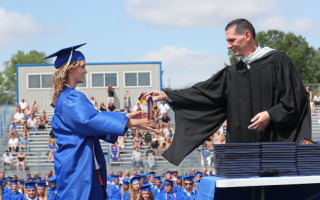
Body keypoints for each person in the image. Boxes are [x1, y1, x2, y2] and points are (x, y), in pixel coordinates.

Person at [145, 18, 311, 166]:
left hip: (274, 150)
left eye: (232, 40)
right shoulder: (232, 72)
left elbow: (295, 98)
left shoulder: (277, 61)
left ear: (247, 35)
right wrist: (168, 95)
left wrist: (270, 115)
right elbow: (204, 93)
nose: (228, 46)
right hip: (243, 153)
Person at [46, 43, 155, 199]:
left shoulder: (69, 96)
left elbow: (95, 120)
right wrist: (131, 123)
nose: (85, 71)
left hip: (82, 166)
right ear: (70, 68)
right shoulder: (71, 98)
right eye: (82, 67)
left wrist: (127, 116)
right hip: (78, 169)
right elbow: (90, 121)